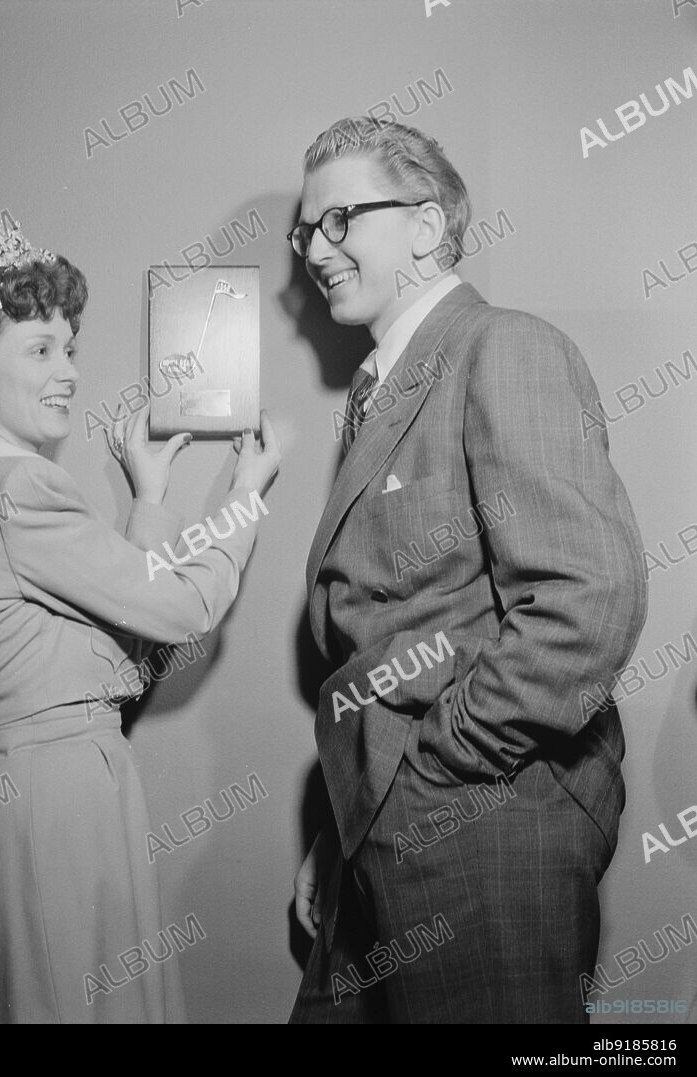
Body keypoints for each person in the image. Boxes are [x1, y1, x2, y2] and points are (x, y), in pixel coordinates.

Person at [287, 117, 647, 1023]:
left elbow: (587, 599)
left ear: (425, 224)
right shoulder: (386, 389)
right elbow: (391, 637)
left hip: (488, 824)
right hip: (389, 827)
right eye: (305, 230)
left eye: (339, 221)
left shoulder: (501, 347)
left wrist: (438, 767)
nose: (314, 253)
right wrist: (350, 822)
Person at [0, 223, 279, 1023]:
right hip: (57, 809)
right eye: (41, 350)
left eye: (69, 348)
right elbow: (180, 606)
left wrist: (145, 498)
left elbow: (117, 647)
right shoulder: (15, 489)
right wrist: (245, 499)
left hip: (59, 798)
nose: (68, 371)